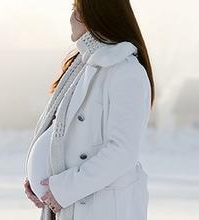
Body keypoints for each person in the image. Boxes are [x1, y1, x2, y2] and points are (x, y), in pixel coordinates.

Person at [24, 0, 155, 219]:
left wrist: (63, 189)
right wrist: (41, 182)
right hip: (66, 206)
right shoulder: (82, 66)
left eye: (76, 12)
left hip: (100, 208)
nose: (70, 19)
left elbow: (122, 152)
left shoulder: (126, 72)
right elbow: (63, 132)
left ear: (96, 16)